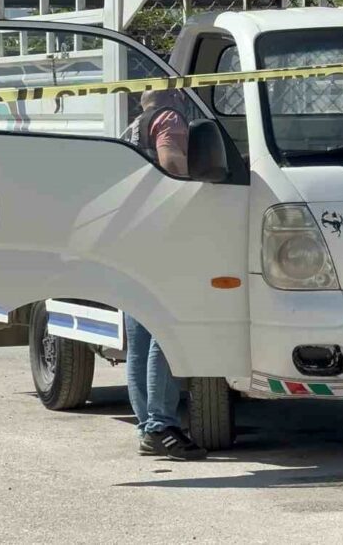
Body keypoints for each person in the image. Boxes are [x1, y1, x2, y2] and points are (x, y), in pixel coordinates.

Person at [120, 89, 207, 460]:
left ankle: (148, 427)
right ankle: (161, 426)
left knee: (139, 337)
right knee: (165, 330)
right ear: (176, 93)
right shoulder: (170, 120)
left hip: (131, 238)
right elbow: (173, 166)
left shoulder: (132, 130)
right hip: (163, 236)